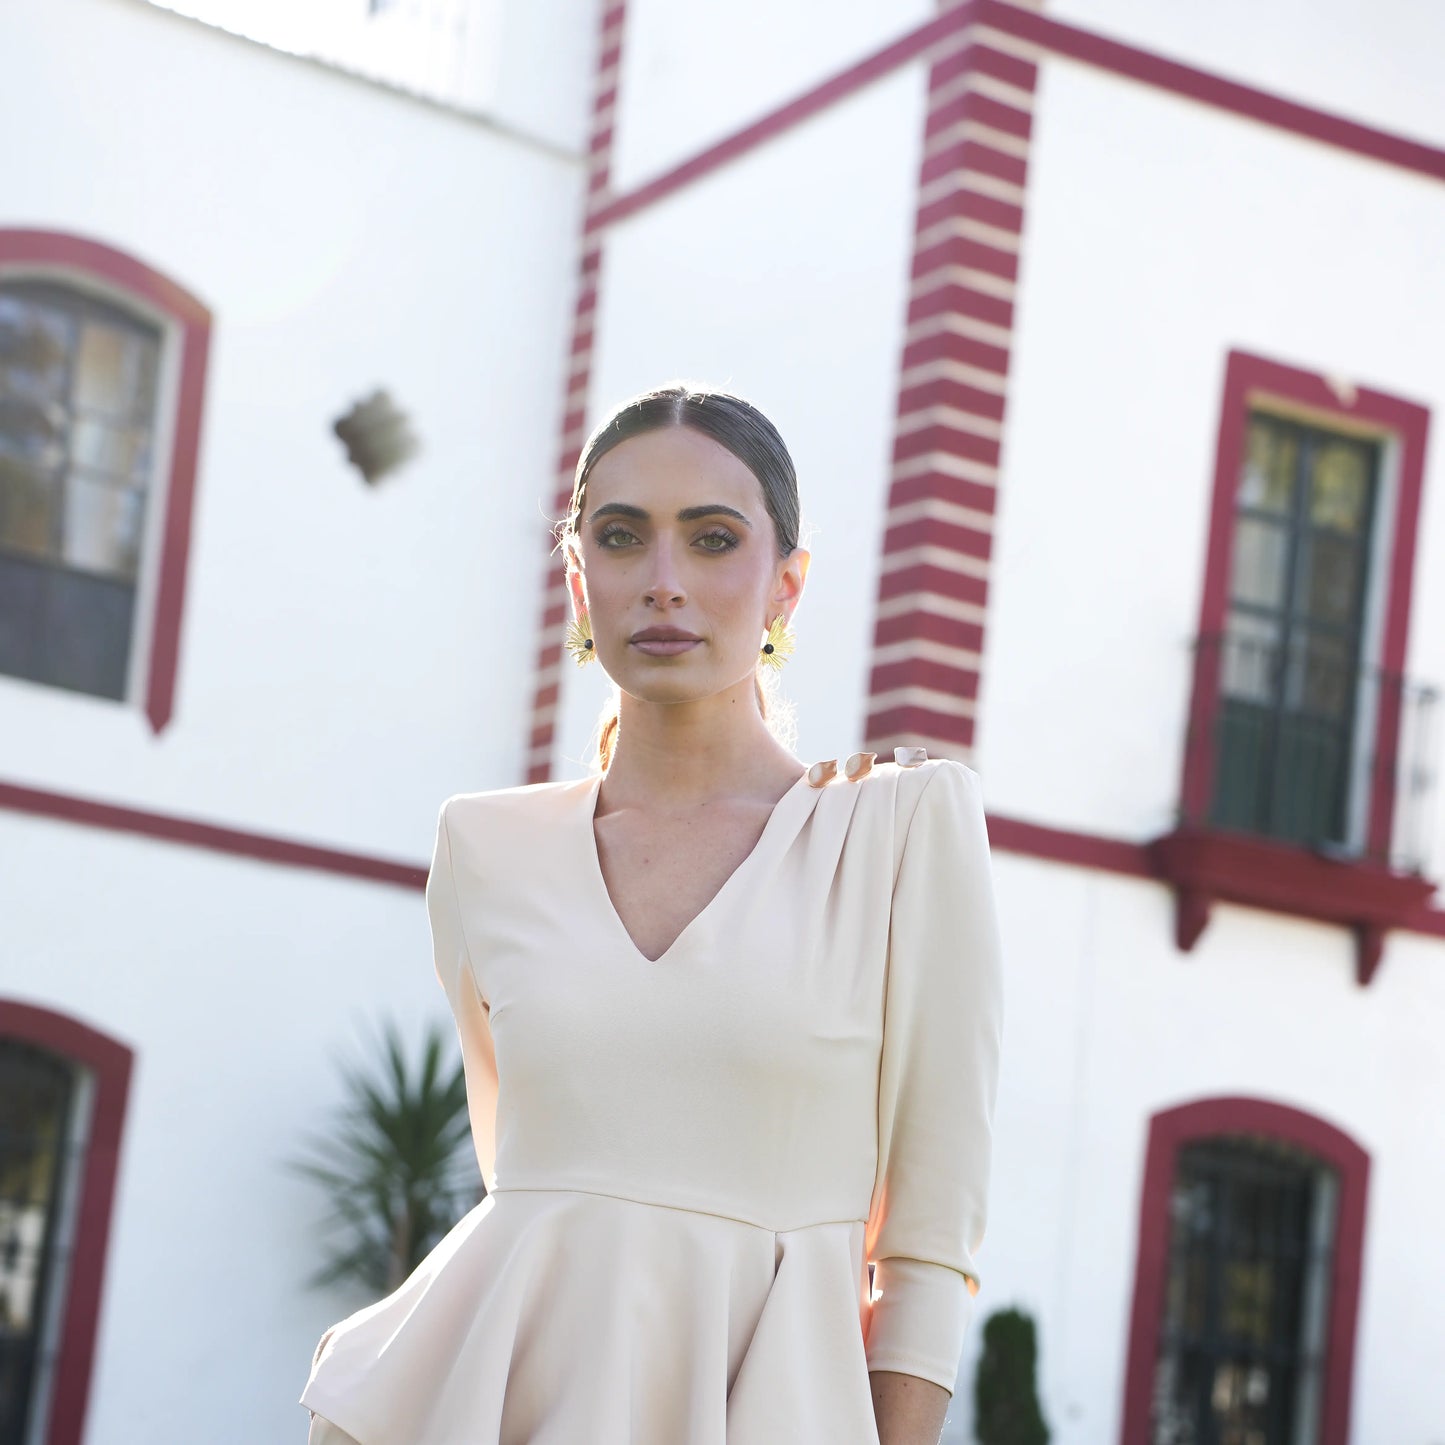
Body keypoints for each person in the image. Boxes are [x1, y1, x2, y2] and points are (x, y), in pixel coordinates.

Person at [298, 383, 1005, 1444]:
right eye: (621, 538)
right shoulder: (483, 847)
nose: (664, 583)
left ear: (785, 586)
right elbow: (529, 1196)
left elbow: (926, 1249)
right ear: (580, 581)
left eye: (713, 539)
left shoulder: (895, 832)